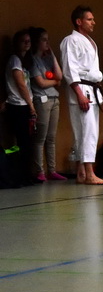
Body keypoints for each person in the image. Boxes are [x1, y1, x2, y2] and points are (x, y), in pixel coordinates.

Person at [60, 5, 103, 185]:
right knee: (86, 133)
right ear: (79, 22)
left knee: (88, 132)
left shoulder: (88, 40)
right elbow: (69, 69)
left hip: (91, 89)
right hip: (81, 89)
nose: (93, 22)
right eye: (90, 19)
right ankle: (89, 173)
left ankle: (81, 172)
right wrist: (79, 94)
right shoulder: (70, 41)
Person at [29, 27, 66, 181]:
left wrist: (52, 56)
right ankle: (40, 171)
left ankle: (52, 169)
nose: (47, 43)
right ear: (36, 42)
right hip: (41, 100)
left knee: (51, 137)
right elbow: (41, 83)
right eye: (44, 40)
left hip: (54, 99)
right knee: (41, 137)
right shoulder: (32, 60)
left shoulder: (47, 58)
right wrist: (55, 82)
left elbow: (60, 76)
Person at [5, 29, 37, 182]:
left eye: (28, 41)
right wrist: (31, 105)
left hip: (25, 103)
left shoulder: (25, 61)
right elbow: (20, 84)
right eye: (23, 41)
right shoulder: (14, 60)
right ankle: (21, 175)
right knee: (22, 141)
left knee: (28, 142)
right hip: (18, 105)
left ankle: (27, 173)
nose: (26, 43)